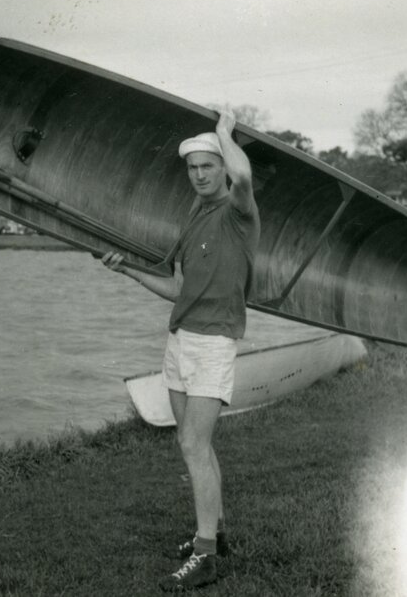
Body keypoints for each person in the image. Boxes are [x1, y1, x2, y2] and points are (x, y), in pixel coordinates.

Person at [101, 110, 260, 591]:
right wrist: (125, 269)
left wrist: (226, 133)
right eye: (193, 168)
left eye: (208, 166)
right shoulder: (193, 217)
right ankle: (218, 533)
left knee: (193, 444)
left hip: (214, 342)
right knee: (194, 443)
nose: (199, 175)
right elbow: (176, 288)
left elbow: (246, 174)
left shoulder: (239, 213)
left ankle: (205, 555)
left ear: (221, 168)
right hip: (181, 339)